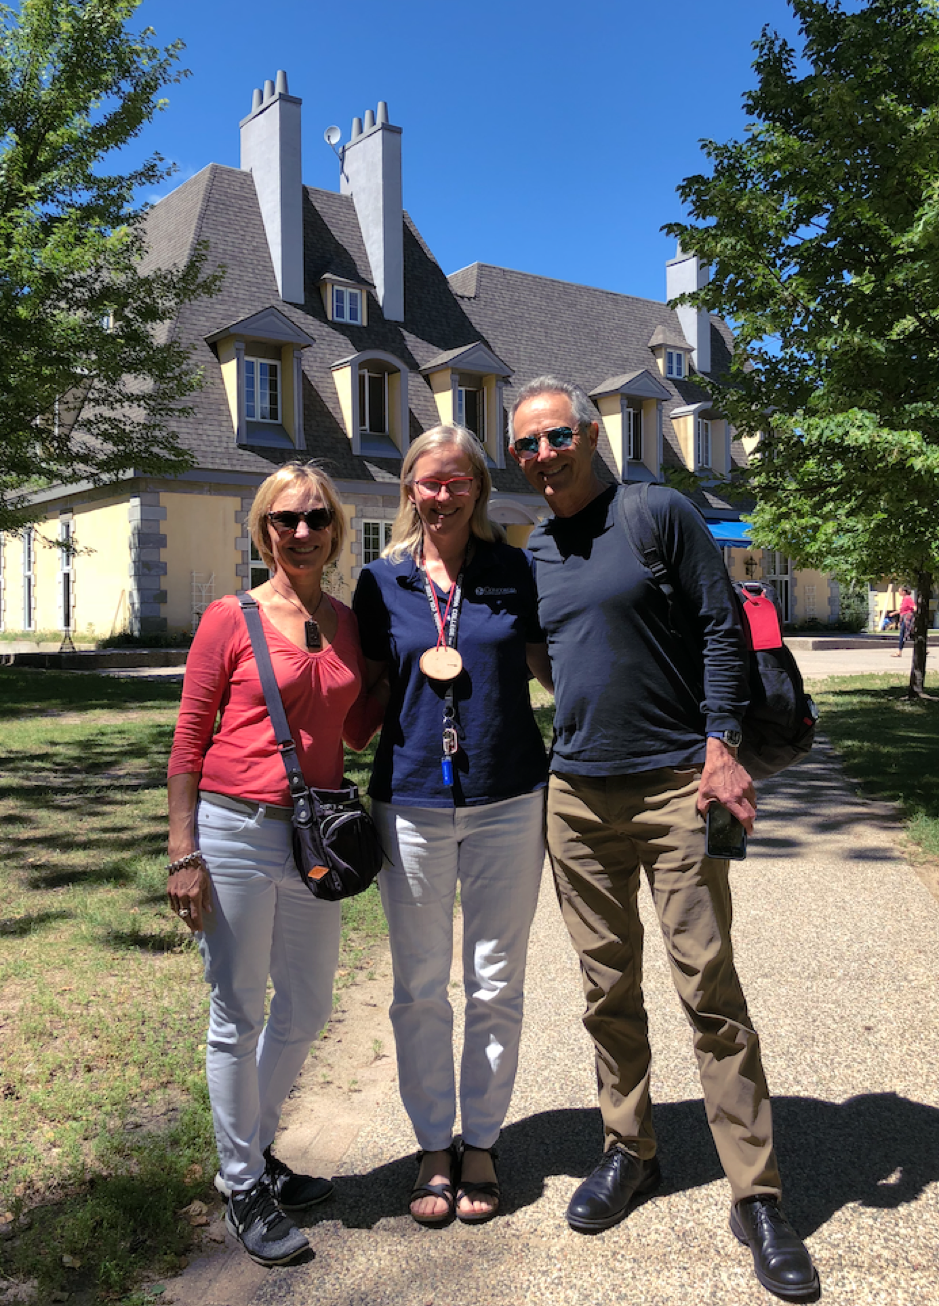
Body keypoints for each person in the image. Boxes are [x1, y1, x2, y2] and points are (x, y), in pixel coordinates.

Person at [509, 377, 819, 1304]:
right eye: (524, 444)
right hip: (576, 793)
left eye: (555, 436)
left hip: (679, 785)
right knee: (606, 988)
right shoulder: (536, 547)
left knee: (708, 989)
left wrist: (721, 749)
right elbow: (541, 652)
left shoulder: (656, 512)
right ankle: (628, 1149)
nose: (540, 455)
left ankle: (756, 1194)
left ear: (592, 437)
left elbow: (721, 628)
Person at [166, 462, 384, 1267]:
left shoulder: (344, 622)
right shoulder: (231, 617)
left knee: (306, 1007)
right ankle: (241, 1182)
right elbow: (189, 738)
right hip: (232, 830)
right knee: (239, 1013)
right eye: (285, 519)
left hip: (312, 837)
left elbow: (352, 731)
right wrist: (182, 851)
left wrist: (410, 678)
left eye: (317, 518)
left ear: (334, 530)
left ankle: (251, 1153)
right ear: (263, 531)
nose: (302, 532)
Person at [353, 424, 550, 1226]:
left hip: (508, 798)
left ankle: (483, 1143)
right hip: (409, 801)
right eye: (427, 482)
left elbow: (550, 663)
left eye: (456, 481)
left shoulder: (515, 571)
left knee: (496, 982)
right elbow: (361, 688)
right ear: (408, 489)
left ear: (479, 488)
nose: (441, 495)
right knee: (419, 986)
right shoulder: (380, 580)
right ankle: (434, 1142)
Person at [891, 586, 916, 655]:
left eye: (899, 591)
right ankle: (924, 648)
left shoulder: (908, 598)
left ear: (904, 592)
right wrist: (893, 613)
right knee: (910, 634)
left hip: (907, 618)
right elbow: (902, 610)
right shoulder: (904, 599)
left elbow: (914, 607)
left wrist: (915, 614)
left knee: (902, 634)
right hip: (904, 617)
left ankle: (899, 652)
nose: (898, 592)